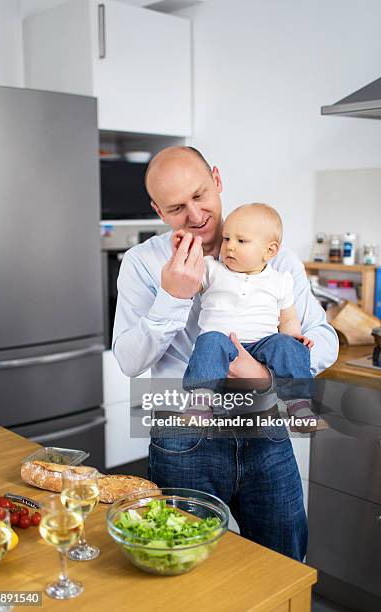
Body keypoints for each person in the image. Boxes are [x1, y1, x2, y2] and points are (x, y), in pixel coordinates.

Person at [112, 146, 338, 561]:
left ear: (217, 179)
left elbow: (322, 338)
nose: (194, 216)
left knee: (283, 563)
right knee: (185, 565)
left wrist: (266, 377)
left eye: (200, 196)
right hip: (184, 436)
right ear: (157, 210)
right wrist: (172, 297)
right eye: (177, 207)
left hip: (266, 430)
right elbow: (128, 360)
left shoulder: (277, 257)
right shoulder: (142, 264)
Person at [181, 202, 328, 432]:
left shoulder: (280, 281)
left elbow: (287, 319)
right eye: (226, 238)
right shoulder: (212, 270)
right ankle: (201, 400)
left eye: (241, 241)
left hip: (263, 343)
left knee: (287, 346)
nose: (229, 247)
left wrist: (294, 338)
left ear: (269, 251)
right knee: (208, 341)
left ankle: (298, 405)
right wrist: (185, 259)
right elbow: (187, 286)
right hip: (222, 341)